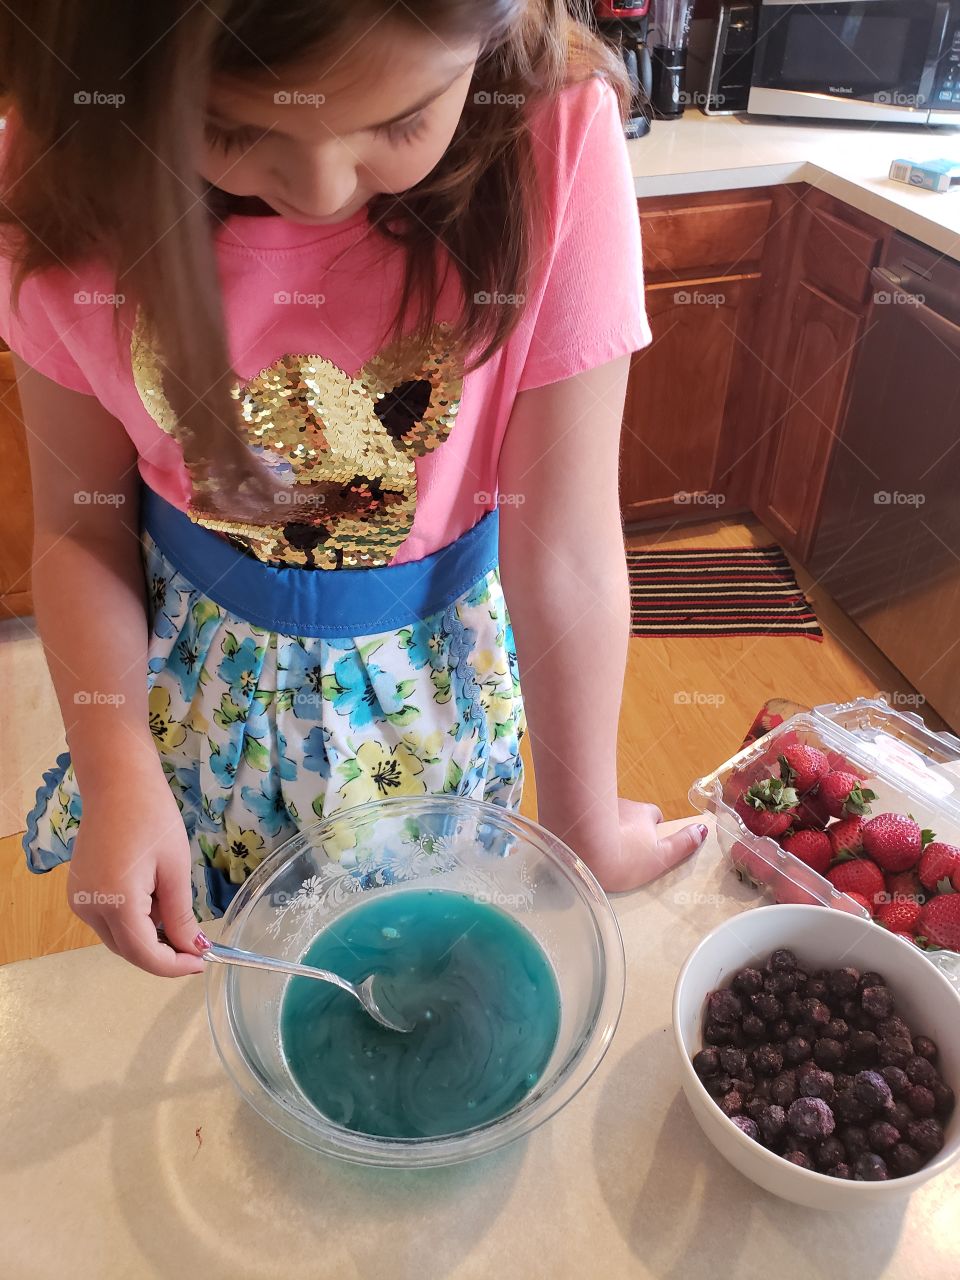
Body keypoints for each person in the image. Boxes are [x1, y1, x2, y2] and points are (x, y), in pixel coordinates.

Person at [0, 0, 706, 977]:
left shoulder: (555, 134)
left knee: (434, 944)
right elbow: (82, 529)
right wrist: (114, 759)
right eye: (233, 128)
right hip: (200, 705)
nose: (322, 188)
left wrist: (587, 822)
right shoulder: (64, 166)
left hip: (438, 691)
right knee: (242, 976)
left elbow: (567, 542)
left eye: (402, 118)